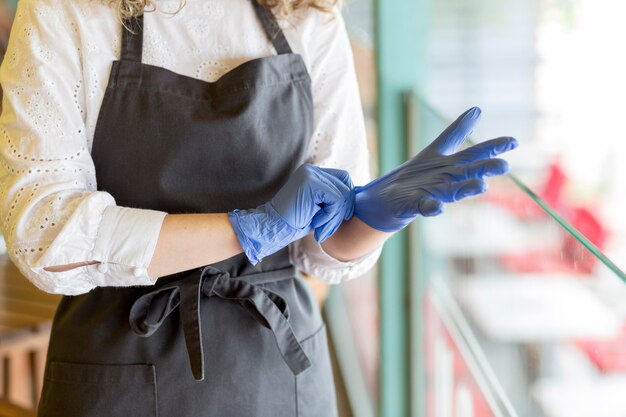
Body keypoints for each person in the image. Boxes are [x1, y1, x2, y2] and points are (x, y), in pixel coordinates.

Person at [0, 0, 517, 416]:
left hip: (282, 371)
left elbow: (321, 245)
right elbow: (44, 231)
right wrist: (249, 229)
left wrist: (375, 219)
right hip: (119, 359)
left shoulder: (307, 14)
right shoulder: (66, 11)